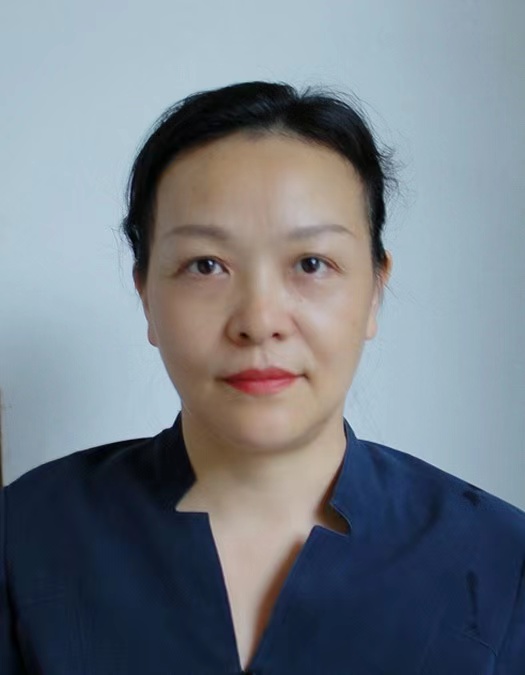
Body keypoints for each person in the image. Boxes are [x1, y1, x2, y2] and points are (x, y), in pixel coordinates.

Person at [1, 81, 524, 675]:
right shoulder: (25, 538)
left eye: (311, 264)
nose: (259, 320)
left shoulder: (501, 561)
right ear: (145, 293)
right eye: (206, 265)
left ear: (375, 291)